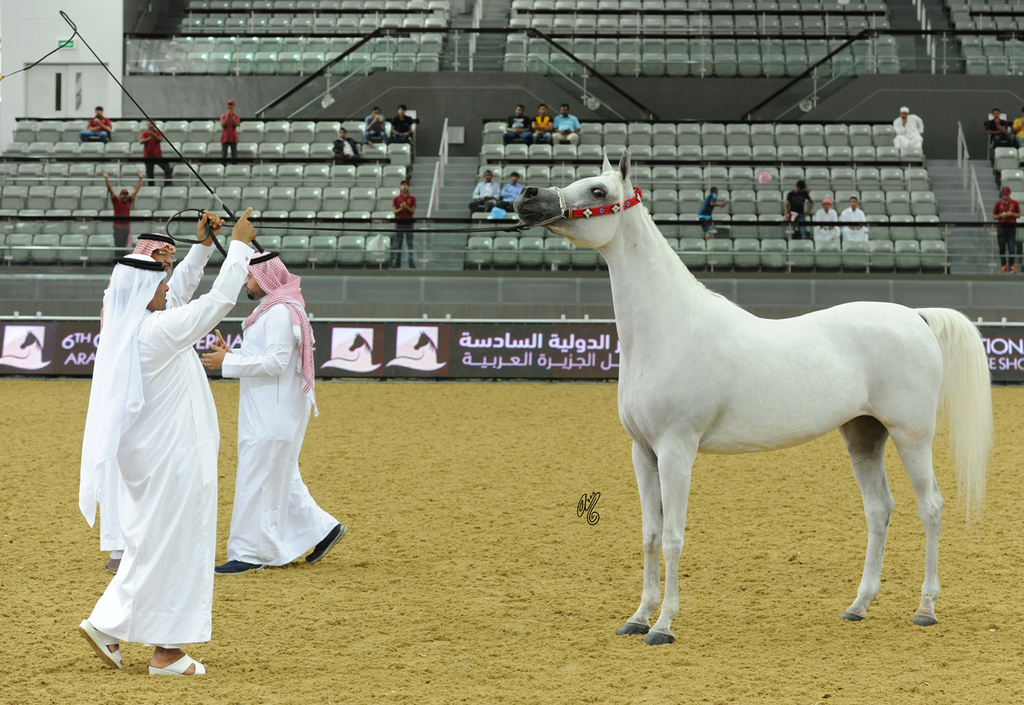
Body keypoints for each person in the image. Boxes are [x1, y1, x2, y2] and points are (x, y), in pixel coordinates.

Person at [78, 210, 256, 677]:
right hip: (173, 457)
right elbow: (217, 301)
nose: (166, 289)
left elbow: (176, 296)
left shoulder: (131, 326)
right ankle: (167, 653)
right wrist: (238, 248)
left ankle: (110, 627)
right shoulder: (157, 332)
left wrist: (201, 248)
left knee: (152, 545)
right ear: (143, 291)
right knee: (180, 548)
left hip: (154, 457)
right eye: (159, 283)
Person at [200, 252, 346, 574]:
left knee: (257, 477)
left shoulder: (280, 312)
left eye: (250, 277)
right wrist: (233, 355)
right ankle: (323, 528)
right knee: (280, 476)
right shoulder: (270, 311)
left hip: (273, 413)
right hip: (267, 410)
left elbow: (276, 363)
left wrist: (229, 364)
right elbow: (264, 358)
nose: (246, 283)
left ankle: (250, 554)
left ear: (265, 278)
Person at [93, 225, 222, 575]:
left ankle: (134, 545)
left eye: (170, 256)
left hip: (146, 385)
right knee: (126, 467)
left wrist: (204, 245)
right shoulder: (130, 289)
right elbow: (179, 294)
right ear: (145, 255)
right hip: (128, 385)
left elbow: (179, 289)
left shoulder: (150, 291)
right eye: (161, 256)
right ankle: (122, 547)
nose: (167, 262)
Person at [103, 170, 143, 251]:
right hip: (118, 229)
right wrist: (106, 179)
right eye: (123, 194)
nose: (125, 196)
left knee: (124, 248)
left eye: (126, 194)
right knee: (118, 247)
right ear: (120, 196)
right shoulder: (116, 201)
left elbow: (135, 190)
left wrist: (140, 179)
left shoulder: (128, 201)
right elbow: (110, 190)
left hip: (126, 229)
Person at [993, 186, 1020, 273]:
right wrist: (1001, 215)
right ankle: (1003, 265)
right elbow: (994, 216)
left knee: (1011, 249)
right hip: (1001, 229)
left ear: (1009, 194)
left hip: (1011, 229)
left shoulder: (1014, 203)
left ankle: (1011, 265)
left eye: (1007, 195)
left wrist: (1011, 214)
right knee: (1002, 248)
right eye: (1004, 195)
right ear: (1002, 194)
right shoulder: (998, 204)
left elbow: (1018, 214)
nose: (1005, 197)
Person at [140, 121, 172, 187]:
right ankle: (151, 188)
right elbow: (141, 141)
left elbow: (160, 139)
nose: (151, 125)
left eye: (152, 124)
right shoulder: (145, 133)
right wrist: (149, 138)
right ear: (147, 125)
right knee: (150, 175)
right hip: (148, 157)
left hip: (158, 156)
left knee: (168, 169)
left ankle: (167, 185)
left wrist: (153, 135)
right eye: (149, 124)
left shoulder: (158, 132)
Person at [392, 179, 416, 269]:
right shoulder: (396, 199)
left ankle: (411, 262)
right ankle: (397, 262)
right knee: (398, 243)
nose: (404, 186)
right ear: (400, 187)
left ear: (408, 187)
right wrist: (402, 209)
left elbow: (412, 211)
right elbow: (395, 211)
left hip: (409, 223)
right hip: (399, 223)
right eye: (403, 185)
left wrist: (406, 207)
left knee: (410, 243)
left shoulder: (412, 198)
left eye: (406, 185)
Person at [220, 99, 240, 164]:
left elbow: (236, 124)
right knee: (224, 154)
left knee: (234, 154)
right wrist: (227, 116)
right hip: (225, 137)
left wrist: (231, 116)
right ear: (227, 106)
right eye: (229, 104)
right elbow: (223, 125)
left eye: (231, 105)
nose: (230, 106)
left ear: (233, 106)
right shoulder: (223, 116)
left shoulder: (236, 116)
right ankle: (223, 166)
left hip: (233, 137)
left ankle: (234, 167)